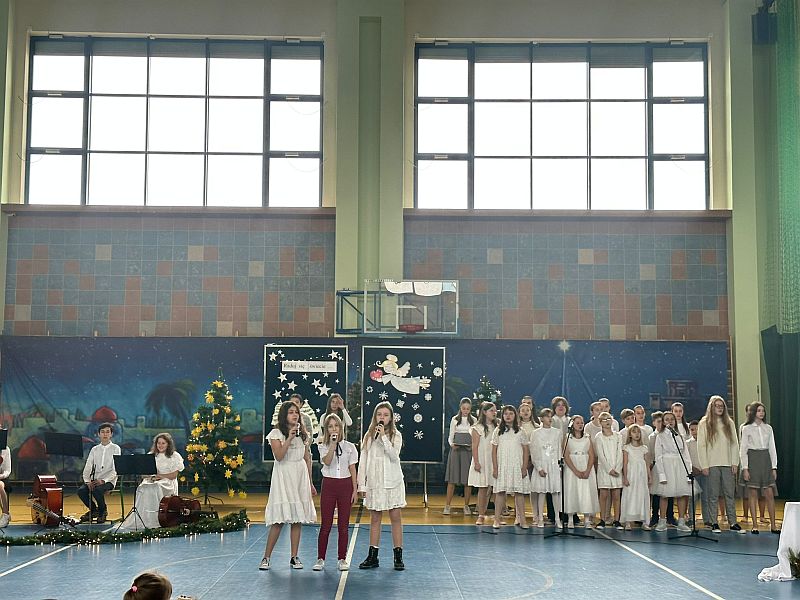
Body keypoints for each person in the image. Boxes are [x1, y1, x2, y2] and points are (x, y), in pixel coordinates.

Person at [260, 401, 317, 570]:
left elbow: (307, 458)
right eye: (291, 412)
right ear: (284, 415)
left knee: (297, 519)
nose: (295, 415)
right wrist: (290, 438)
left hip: (299, 476)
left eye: (296, 412)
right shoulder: (276, 433)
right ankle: (266, 557)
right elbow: (279, 456)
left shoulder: (303, 434)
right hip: (284, 476)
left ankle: (294, 557)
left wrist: (310, 483)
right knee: (279, 520)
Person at [358, 401, 406, 570]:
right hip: (375, 482)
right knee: (375, 518)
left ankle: (398, 556)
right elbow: (363, 460)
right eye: (379, 414)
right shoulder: (368, 436)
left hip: (392, 482)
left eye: (385, 415)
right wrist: (361, 485)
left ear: (391, 418)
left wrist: (384, 436)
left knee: (395, 517)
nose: (382, 417)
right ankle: (373, 556)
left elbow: (394, 456)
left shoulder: (396, 435)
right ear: (375, 417)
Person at [315, 413, 358, 571]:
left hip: (345, 486)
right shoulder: (323, 445)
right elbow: (327, 462)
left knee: (343, 525)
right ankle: (320, 558)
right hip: (329, 485)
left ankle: (342, 558)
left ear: (341, 428)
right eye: (330, 426)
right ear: (326, 429)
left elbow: (352, 469)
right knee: (326, 524)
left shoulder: (350, 447)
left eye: (336, 426)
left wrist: (355, 489)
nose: (334, 429)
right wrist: (332, 445)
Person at [697, 395, 743, 534]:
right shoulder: (704, 423)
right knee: (713, 495)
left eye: (721, 406)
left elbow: (734, 444)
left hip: (727, 464)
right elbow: (701, 446)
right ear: (711, 407)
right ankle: (714, 522)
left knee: (729, 494)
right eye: (717, 406)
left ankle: (732, 522)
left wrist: (735, 462)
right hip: (712, 464)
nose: (719, 408)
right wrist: (704, 465)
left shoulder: (729, 422)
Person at [119, 433, 184, 530]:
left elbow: (173, 475)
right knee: (143, 487)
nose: (160, 445)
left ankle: (157, 519)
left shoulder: (175, 456)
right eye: (158, 443)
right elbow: (143, 474)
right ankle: (145, 518)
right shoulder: (151, 455)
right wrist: (152, 477)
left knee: (155, 487)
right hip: (152, 479)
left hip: (167, 481)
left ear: (168, 444)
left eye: (163, 443)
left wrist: (160, 476)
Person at [739, 401, 779, 534]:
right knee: (753, 493)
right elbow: (743, 449)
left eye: (763, 410)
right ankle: (755, 525)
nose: (761, 413)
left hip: (765, 460)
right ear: (753, 412)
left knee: (769, 493)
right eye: (759, 410)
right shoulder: (746, 428)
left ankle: (773, 525)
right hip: (753, 460)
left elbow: (772, 448)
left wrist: (774, 467)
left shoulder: (768, 428)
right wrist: (745, 468)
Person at [491, 405, 530, 529]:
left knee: (519, 493)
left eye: (511, 413)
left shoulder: (521, 431)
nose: (508, 416)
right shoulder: (498, 431)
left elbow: (526, 451)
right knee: (500, 492)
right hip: (503, 465)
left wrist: (524, 467)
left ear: (515, 415)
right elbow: (494, 451)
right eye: (506, 414)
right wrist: (495, 468)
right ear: (502, 416)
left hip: (517, 465)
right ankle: (497, 519)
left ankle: (522, 520)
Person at [653, 412, 691, 532]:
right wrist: (662, 474)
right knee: (664, 494)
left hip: (679, 467)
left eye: (672, 419)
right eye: (667, 419)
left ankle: (681, 521)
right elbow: (658, 456)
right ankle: (662, 521)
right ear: (663, 422)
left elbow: (685, 454)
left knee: (681, 494)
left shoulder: (679, 436)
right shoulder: (660, 436)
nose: (670, 421)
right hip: (667, 466)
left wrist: (688, 472)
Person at [78, 421, 121, 523]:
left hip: (109, 481)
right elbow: (88, 466)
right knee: (81, 491)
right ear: (98, 434)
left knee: (97, 490)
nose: (105, 434)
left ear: (111, 434)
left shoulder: (116, 448)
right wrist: (87, 481)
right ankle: (94, 510)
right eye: (102, 432)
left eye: (107, 432)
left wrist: (104, 480)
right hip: (95, 480)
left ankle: (103, 511)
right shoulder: (95, 449)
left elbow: (115, 469)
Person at [562, 415, 599, 528]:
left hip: (585, 464)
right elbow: (566, 455)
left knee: (586, 491)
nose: (580, 425)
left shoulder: (587, 437)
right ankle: (570, 519)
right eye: (577, 423)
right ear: (572, 424)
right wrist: (575, 471)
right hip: (572, 467)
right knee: (572, 490)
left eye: (582, 422)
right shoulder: (568, 437)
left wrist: (587, 470)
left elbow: (592, 455)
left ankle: (587, 519)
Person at [529, 408, 562, 528]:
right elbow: (534, 451)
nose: (550, 418)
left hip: (553, 465)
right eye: (547, 416)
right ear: (542, 419)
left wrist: (558, 465)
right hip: (542, 464)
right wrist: (538, 467)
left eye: (551, 416)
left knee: (555, 492)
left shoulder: (557, 432)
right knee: (541, 492)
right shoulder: (536, 433)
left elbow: (558, 449)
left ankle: (557, 518)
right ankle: (540, 518)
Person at [443, 397, 475, 515]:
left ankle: (466, 506)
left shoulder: (474, 420)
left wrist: (472, 446)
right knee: (452, 480)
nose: (465, 411)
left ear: (470, 409)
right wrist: (452, 445)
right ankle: (447, 506)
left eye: (467, 409)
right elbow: (450, 436)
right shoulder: (455, 419)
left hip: (468, 451)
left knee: (467, 480)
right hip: (456, 451)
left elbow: (476, 436)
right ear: (460, 408)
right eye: (463, 408)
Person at [468, 401, 497, 525]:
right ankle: (481, 514)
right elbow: (474, 446)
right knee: (483, 487)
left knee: (496, 488)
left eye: (495, 410)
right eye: (491, 410)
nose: (494, 413)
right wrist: (476, 462)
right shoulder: (477, 428)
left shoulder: (497, 426)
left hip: (494, 460)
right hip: (483, 460)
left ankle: (498, 515)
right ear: (484, 412)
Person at [594, 411, 623, 529]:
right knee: (604, 495)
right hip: (604, 470)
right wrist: (609, 469)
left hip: (617, 469)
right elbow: (600, 454)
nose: (607, 422)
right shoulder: (599, 437)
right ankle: (602, 519)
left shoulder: (618, 436)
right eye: (604, 420)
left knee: (616, 495)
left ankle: (617, 520)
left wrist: (617, 468)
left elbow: (620, 453)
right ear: (600, 422)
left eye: (609, 419)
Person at [621, 425, 651, 530]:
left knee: (642, 495)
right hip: (631, 475)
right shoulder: (626, 448)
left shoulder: (644, 448)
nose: (637, 434)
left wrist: (649, 477)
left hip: (641, 476)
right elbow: (625, 463)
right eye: (634, 432)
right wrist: (625, 477)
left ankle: (644, 521)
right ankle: (628, 521)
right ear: (630, 434)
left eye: (638, 432)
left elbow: (647, 464)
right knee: (630, 495)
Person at [687, 420, 711, 527]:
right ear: (690, 431)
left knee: (705, 497)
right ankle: (691, 519)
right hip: (694, 474)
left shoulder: (706, 443)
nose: (695, 431)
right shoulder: (688, 443)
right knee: (693, 498)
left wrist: (705, 468)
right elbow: (687, 459)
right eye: (692, 429)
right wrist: (692, 469)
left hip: (705, 472)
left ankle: (707, 519)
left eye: (697, 429)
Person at [0, 442, 11, 528]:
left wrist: (1, 476)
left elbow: (8, 470)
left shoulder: (6, 449)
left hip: (2, 478)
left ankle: (5, 514)